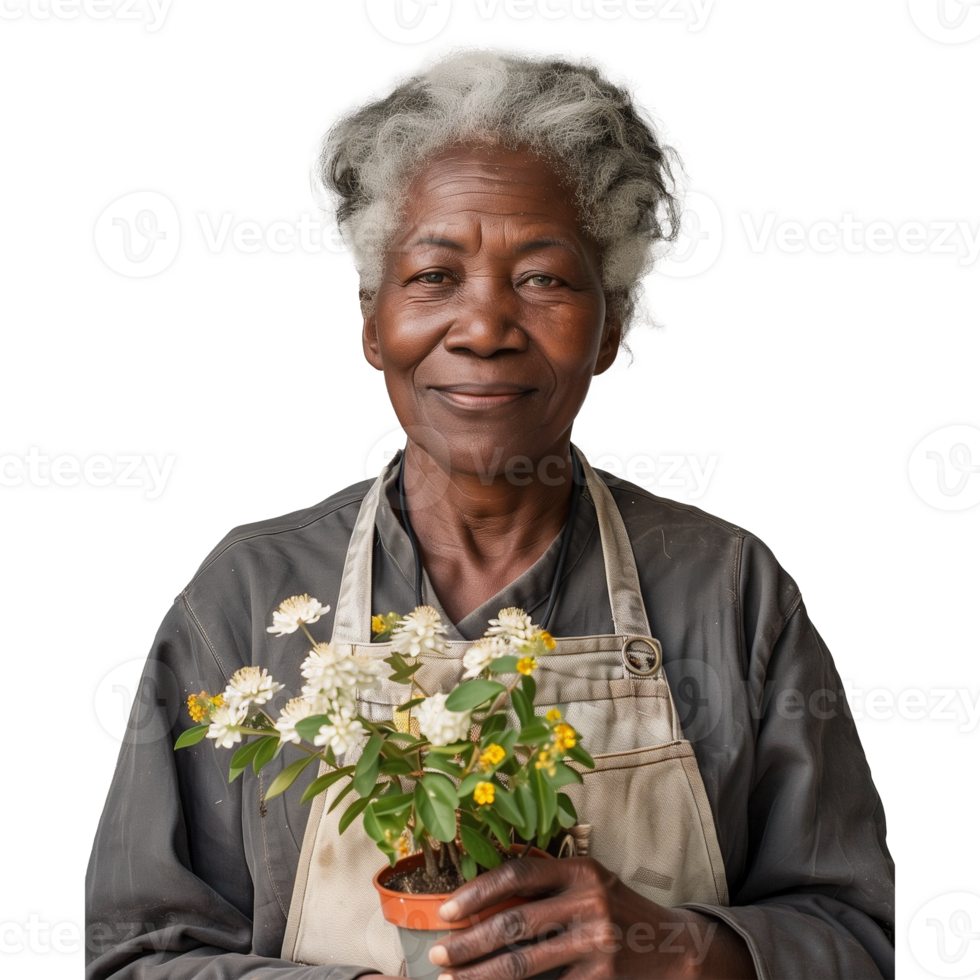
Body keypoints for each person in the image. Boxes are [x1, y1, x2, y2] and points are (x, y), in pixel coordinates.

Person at [84, 36, 897, 980]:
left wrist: (677, 948)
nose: (483, 328)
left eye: (544, 278)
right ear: (371, 323)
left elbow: (855, 941)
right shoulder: (248, 594)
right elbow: (138, 955)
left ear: (619, 335)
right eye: (433, 276)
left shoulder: (729, 587)